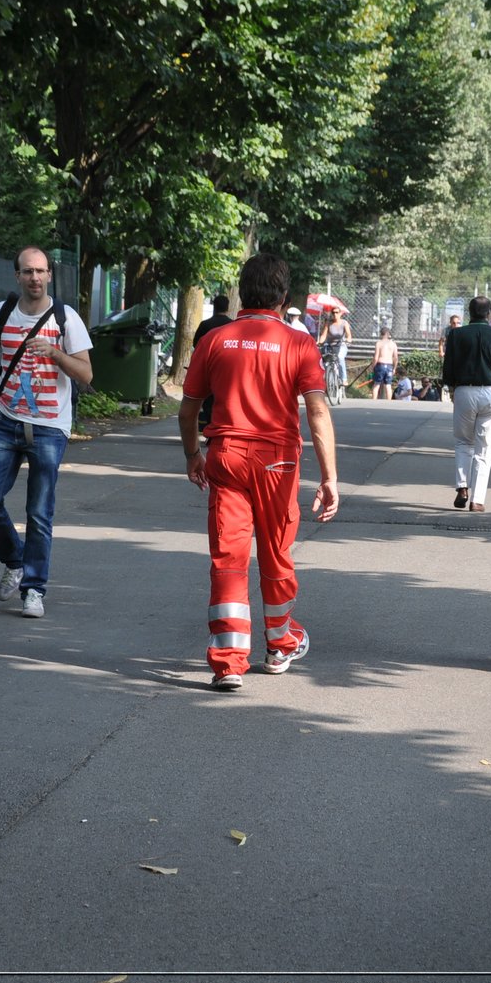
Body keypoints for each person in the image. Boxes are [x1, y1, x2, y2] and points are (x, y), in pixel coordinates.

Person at [179, 253, 340, 691]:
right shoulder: (299, 342)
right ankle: (278, 645)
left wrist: (194, 452)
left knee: (228, 558)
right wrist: (329, 478)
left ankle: (229, 662)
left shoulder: (216, 339)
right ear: (283, 296)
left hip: (226, 454)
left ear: (242, 291)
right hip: (277, 460)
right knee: (276, 554)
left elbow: (189, 405)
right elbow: (318, 412)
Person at [0, 246, 94, 620]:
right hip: (4, 421)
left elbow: (86, 375)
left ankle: (34, 589)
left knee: (39, 512)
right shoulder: (1, 313)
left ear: (50, 274)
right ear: (17, 276)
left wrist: (55, 353)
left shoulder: (66, 318)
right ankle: (14, 560)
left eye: (41, 271)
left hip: (50, 427)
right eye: (27, 271)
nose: (35, 277)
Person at [440, 295, 491, 513]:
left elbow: (448, 366)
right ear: (490, 314)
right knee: (484, 449)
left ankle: (461, 487)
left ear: (469, 313)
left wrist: (450, 388)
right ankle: (477, 499)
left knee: (463, 442)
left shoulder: (456, 334)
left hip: (464, 391)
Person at [191, 295, 234, 436]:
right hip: (228, 369)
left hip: (209, 368)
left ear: (214, 307)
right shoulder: (233, 325)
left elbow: (196, 344)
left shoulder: (205, 325)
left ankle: (210, 426)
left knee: (208, 400)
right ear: (227, 308)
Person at [317, 306, 352, 390]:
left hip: (341, 345)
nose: (335, 314)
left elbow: (349, 335)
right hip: (330, 345)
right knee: (324, 361)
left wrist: (348, 340)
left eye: (337, 312)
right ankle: (326, 379)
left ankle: (344, 379)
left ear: (340, 314)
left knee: (340, 357)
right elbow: (324, 335)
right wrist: (319, 342)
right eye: (333, 312)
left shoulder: (344, 323)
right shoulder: (328, 323)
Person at [370, 327, 399, 400]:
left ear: (381, 334)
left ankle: (373, 401)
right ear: (388, 334)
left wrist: (373, 366)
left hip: (380, 364)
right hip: (389, 365)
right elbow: (396, 357)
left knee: (376, 384)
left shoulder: (379, 343)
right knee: (388, 385)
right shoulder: (393, 344)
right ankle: (388, 401)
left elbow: (376, 357)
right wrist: (394, 368)